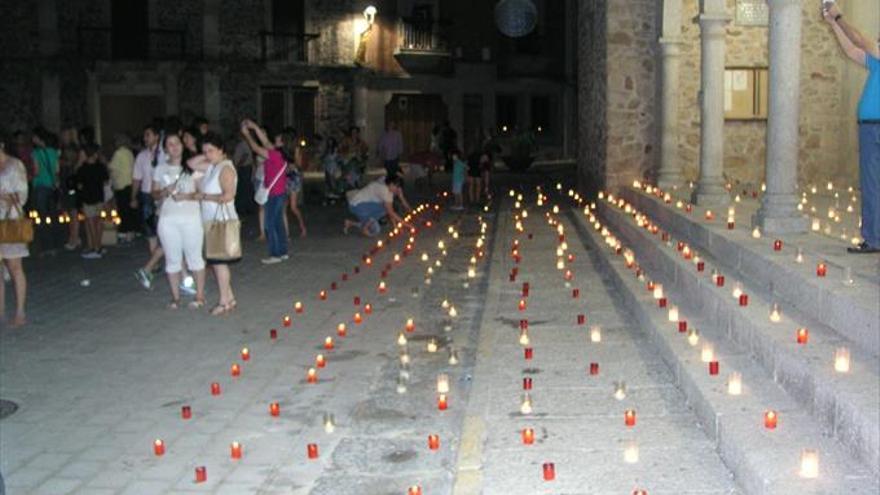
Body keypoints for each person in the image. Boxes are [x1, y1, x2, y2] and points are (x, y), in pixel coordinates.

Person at [824, 4, 880, 254]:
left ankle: (874, 238)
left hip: (876, 128)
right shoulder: (877, 63)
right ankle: (874, 238)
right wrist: (832, 24)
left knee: (873, 184)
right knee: (871, 184)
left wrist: (838, 16)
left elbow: (859, 39)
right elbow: (851, 50)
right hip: (870, 128)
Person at [153, 133, 206, 309]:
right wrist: (164, 191)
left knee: (195, 258)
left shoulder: (191, 167)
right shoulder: (160, 168)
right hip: (168, 219)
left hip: (191, 218)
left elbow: (200, 193)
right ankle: (175, 297)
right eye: (170, 144)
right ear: (166, 149)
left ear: (182, 145)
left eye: (177, 143)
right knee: (172, 259)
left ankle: (199, 296)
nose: (174, 147)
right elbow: (153, 193)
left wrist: (186, 196)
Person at [191, 133, 239, 316]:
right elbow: (192, 164)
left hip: (223, 221)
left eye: (211, 150)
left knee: (219, 263)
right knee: (217, 263)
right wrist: (207, 155)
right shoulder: (213, 166)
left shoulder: (225, 168)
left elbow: (228, 195)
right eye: (205, 151)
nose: (207, 154)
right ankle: (230, 298)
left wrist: (204, 196)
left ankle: (224, 301)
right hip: (211, 221)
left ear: (222, 150)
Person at [240, 119, 291, 264]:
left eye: (278, 139)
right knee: (278, 222)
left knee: (270, 223)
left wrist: (247, 135)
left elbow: (256, 148)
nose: (275, 139)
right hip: (279, 192)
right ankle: (282, 252)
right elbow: (265, 142)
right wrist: (254, 127)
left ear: (282, 143)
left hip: (274, 193)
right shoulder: (281, 154)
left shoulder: (275, 155)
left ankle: (275, 254)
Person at [0, 138, 29, 327]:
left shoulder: (14, 165)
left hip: (10, 221)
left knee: (14, 266)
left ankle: (20, 312)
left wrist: (7, 197)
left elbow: (22, 195)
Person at [132, 124, 165, 288]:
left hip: (162, 196)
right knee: (150, 230)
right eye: (144, 135)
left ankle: (153, 264)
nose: (145, 138)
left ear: (157, 136)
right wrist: (133, 196)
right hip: (146, 195)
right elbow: (137, 177)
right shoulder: (142, 156)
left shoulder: (164, 154)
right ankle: (154, 263)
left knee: (165, 230)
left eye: (148, 135)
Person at [344, 174, 412, 237]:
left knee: (381, 214)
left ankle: (351, 223)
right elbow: (391, 212)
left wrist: (396, 227)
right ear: (391, 184)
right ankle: (365, 227)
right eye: (396, 188)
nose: (397, 191)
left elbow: (391, 210)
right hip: (359, 206)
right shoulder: (385, 191)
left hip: (359, 204)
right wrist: (408, 225)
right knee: (376, 230)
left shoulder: (385, 182)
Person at [74, 144, 109, 259]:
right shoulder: (100, 167)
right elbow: (105, 182)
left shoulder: (82, 169)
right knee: (99, 222)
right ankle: (98, 245)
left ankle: (95, 247)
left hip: (87, 198)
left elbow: (78, 185)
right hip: (99, 197)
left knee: (90, 224)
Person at [107, 133, 136, 244]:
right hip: (130, 183)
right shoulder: (129, 153)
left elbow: (112, 167)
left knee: (123, 210)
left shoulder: (118, 153)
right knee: (129, 210)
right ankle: (131, 232)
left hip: (121, 184)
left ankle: (123, 233)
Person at [58, 127, 83, 250]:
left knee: (73, 211)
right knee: (70, 211)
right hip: (66, 182)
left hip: (71, 183)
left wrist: (61, 162)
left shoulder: (72, 149)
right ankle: (73, 236)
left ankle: (74, 237)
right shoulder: (63, 149)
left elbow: (71, 164)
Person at [31, 127, 59, 217]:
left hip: (40, 185)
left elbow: (36, 171)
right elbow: (57, 170)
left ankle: (44, 230)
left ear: (38, 138)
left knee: (42, 213)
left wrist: (29, 177)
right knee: (52, 212)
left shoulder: (36, 153)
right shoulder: (54, 151)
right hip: (52, 185)